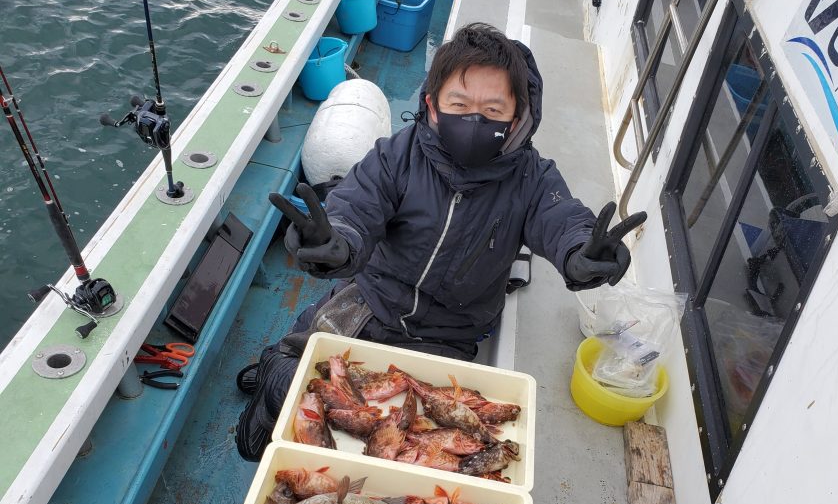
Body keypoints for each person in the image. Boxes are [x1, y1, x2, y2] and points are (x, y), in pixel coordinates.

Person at [235, 23, 646, 461]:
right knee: (283, 378)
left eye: (492, 109)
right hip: (371, 303)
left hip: (448, 333)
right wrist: (334, 241)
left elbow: (562, 219)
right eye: (460, 104)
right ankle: (269, 385)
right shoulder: (396, 155)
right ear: (433, 105)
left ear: (516, 116)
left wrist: (582, 252)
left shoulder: (534, 178)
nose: (475, 119)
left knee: (405, 444)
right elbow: (355, 208)